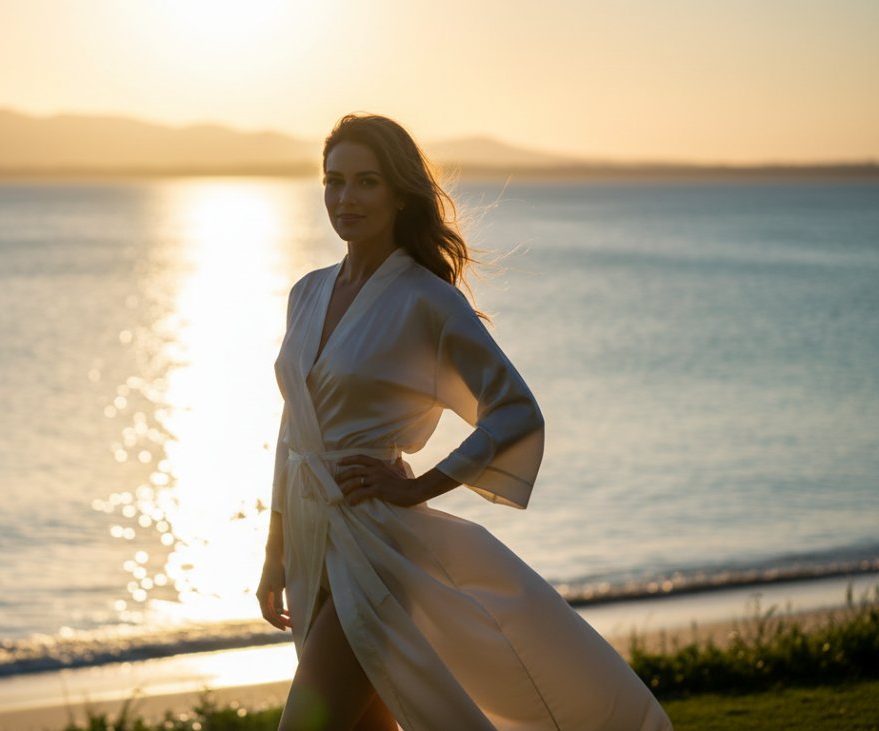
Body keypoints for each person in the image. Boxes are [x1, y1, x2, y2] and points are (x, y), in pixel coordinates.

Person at [255, 114, 673, 731]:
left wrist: (418, 487)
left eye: (366, 181)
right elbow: (293, 431)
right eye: (334, 181)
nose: (345, 198)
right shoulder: (306, 292)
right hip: (308, 542)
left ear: (400, 194)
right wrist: (275, 552)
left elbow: (514, 412)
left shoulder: (426, 299)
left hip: (376, 543)